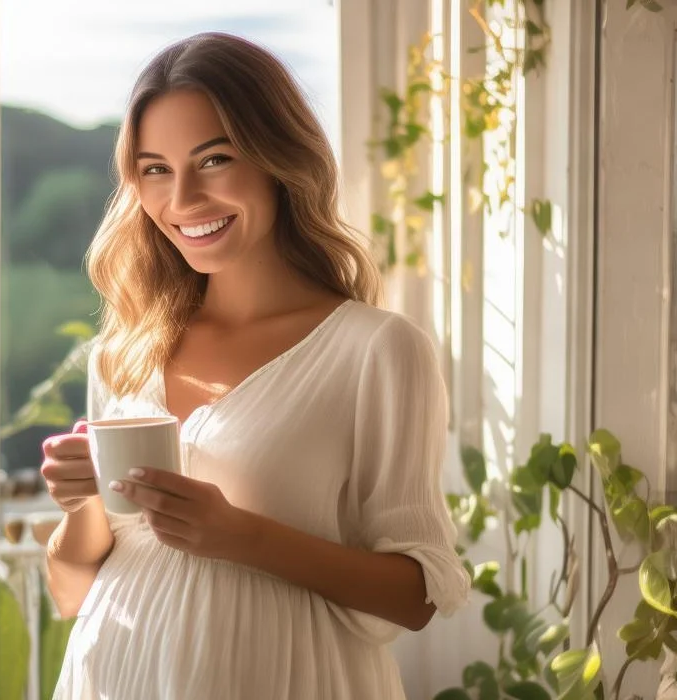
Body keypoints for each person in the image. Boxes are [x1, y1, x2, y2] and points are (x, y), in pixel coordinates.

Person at [40, 32, 470, 700]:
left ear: (279, 159)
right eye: (155, 169)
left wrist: (242, 536)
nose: (182, 199)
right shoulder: (125, 353)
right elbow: (71, 590)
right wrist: (85, 499)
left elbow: (417, 594)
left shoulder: (376, 351)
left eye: (214, 159)